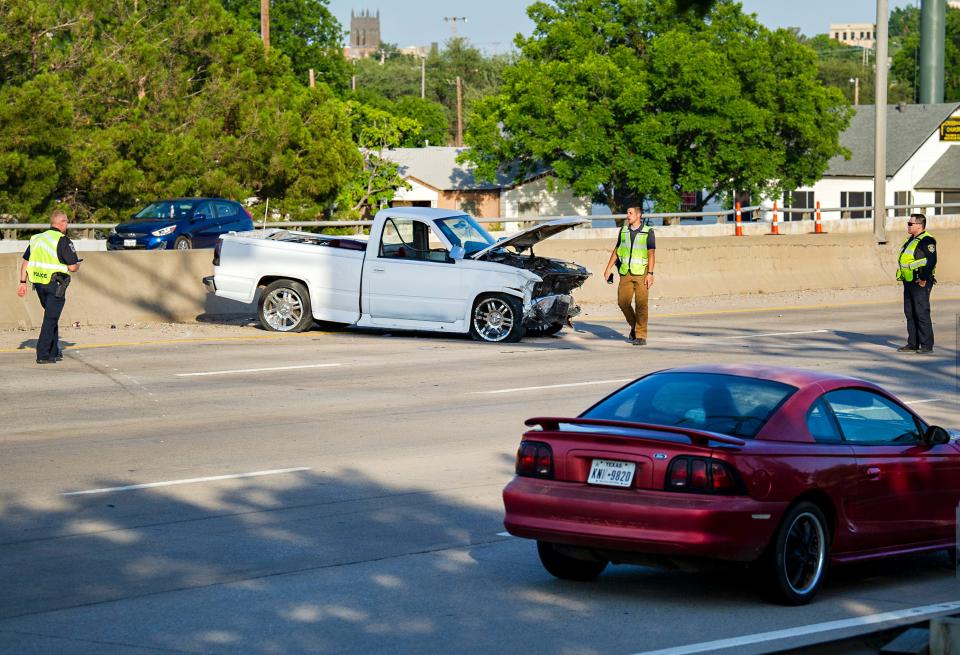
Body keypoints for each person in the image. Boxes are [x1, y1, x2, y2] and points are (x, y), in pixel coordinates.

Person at [17, 210, 81, 364]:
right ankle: (43, 354)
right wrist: (78, 264)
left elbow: (26, 262)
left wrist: (22, 282)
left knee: (52, 316)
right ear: (61, 223)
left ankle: (54, 352)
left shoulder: (37, 238)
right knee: (50, 318)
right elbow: (72, 268)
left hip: (38, 285)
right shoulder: (63, 240)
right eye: (66, 221)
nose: (67, 224)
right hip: (55, 285)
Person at [602, 206, 656, 345]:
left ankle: (641, 335)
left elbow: (651, 254)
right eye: (627, 213)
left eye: (630, 213)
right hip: (625, 272)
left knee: (641, 305)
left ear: (639, 215)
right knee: (623, 302)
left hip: (641, 273)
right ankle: (634, 326)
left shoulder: (648, 232)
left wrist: (650, 273)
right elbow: (617, 250)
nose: (628, 215)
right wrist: (608, 268)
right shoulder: (624, 230)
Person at [896, 213, 936, 354]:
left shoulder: (927, 240)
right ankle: (913, 343)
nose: (908, 225)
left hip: (921, 281)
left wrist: (924, 278)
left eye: (910, 223)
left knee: (921, 312)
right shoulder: (911, 240)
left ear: (919, 225)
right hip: (909, 281)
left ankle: (926, 345)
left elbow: (931, 261)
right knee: (910, 313)